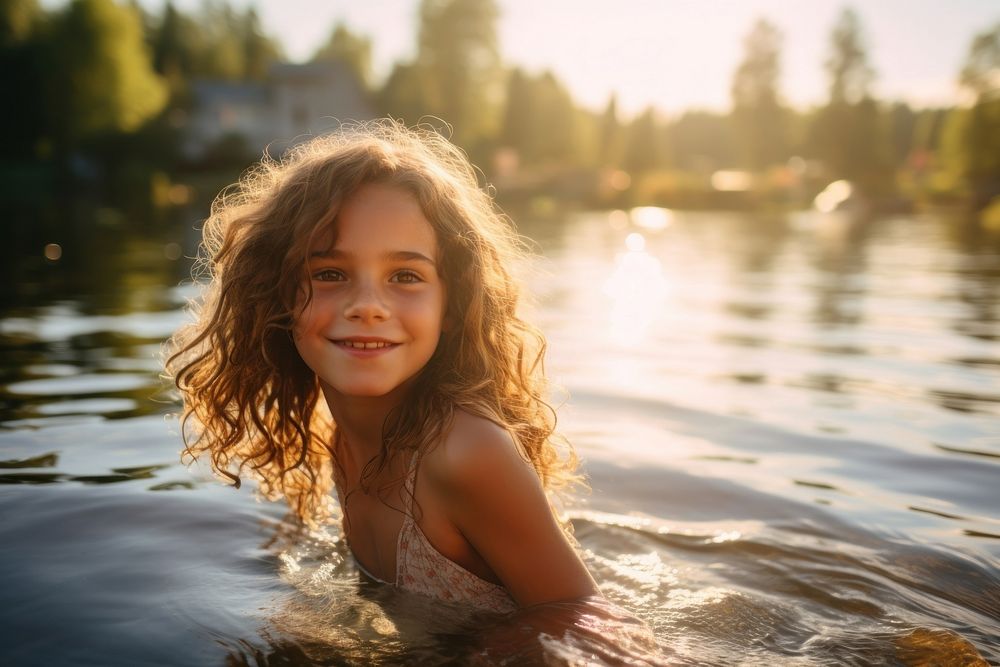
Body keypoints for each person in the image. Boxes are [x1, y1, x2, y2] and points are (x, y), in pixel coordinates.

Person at [166, 119, 600, 613]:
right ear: (277, 300)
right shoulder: (341, 442)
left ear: (453, 307)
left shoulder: (464, 451)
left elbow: (588, 626)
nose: (368, 305)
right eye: (329, 273)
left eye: (405, 276)